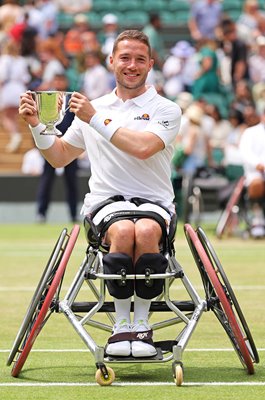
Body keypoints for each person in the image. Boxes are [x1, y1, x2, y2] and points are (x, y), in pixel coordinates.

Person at [19, 30, 182, 358]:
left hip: (155, 203)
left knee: (146, 230)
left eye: (139, 59)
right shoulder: (94, 108)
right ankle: (123, 325)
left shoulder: (167, 108)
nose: (131, 65)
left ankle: (142, 324)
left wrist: (94, 117)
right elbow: (60, 156)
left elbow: (143, 148)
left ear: (151, 64)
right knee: (123, 231)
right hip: (106, 204)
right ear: (111, 62)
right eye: (124, 58)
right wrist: (37, 125)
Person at [35, 73, 79, 223]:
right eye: (57, 80)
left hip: (71, 145)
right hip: (51, 144)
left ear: (66, 81)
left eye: (62, 80)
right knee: (46, 181)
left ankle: (73, 214)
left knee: (71, 182)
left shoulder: (72, 99)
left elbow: (77, 122)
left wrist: (69, 140)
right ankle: (41, 213)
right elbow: (40, 121)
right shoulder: (47, 98)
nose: (59, 83)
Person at [239, 108, 265, 238]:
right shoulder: (250, 132)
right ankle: (257, 218)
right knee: (257, 184)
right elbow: (245, 153)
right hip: (255, 174)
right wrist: (258, 165)